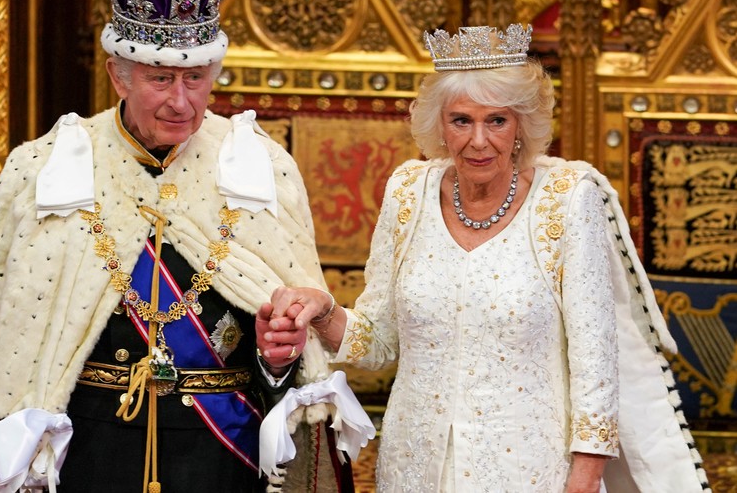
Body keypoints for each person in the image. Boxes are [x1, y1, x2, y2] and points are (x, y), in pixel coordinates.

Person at [0, 0, 350, 492]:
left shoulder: (263, 166)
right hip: (90, 445)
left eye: (196, 79)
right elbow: (8, 325)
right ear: (118, 76)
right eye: (160, 79)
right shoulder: (43, 165)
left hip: (220, 449)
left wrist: (279, 356)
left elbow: (293, 349)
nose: (181, 101)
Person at [260, 24, 711, 492]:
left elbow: (595, 363)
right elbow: (380, 342)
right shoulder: (408, 193)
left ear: (521, 126)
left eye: (497, 120)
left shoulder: (566, 200)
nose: (479, 140)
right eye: (461, 120)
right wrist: (322, 311)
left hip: (532, 470)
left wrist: (584, 478)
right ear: (439, 125)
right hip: (415, 466)